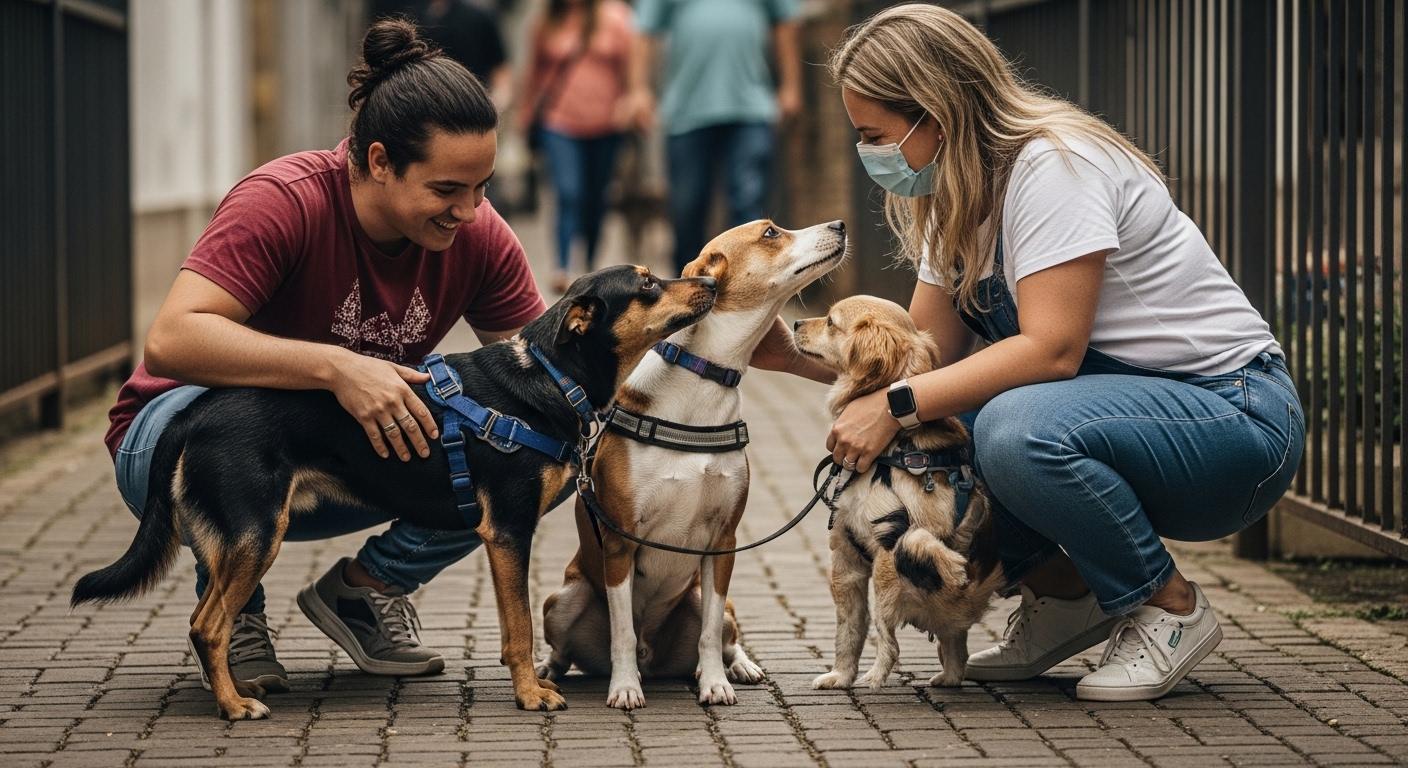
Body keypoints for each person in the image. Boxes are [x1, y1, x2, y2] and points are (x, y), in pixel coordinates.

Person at [756, 4, 1305, 701]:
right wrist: (790, 359)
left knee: (1014, 429)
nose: (872, 158)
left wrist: (893, 409)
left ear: (936, 112)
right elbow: (921, 365)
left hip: (1234, 423)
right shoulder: (956, 197)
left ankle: (1169, 607)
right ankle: (1066, 597)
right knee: (947, 429)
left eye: (877, 136)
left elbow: (1051, 350)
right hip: (1130, 417)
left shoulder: (1052, 168)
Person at [105, 19, 545, 690]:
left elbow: (543, 380)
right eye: (447, 190)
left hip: (336, 458)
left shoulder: (479, 237)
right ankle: (234, 612)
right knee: (240, 422)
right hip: (170, 446)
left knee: (521, 453)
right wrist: (336, 366)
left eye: (481, 187)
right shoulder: (283, 202)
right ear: (377, 161)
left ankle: (366, 590)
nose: (470, 211)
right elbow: (172, 340)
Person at [629, 0, 803, 275]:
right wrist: (638, 90)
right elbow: (644, 29)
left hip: (751, 108)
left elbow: (785, 22)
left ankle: (749, 293)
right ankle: (687, 295)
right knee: (687, 209)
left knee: (749, 206)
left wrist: (791, 85)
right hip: (686, 110)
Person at [519, 0, 636, 294]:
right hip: (559, 123)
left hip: (606, 123)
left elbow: (631, 69)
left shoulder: (616, 17)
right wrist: (526, 113)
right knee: (568, 193)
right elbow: (534, 72)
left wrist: (631, 101)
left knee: (597, 199)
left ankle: (590, 263)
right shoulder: (548, 20)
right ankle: (563, 266)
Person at [373, 0, 513, 110]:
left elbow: (500, 71)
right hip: (422, 109)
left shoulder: (481, 17)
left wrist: (495, 102)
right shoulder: (411, 16)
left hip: (470, 109)